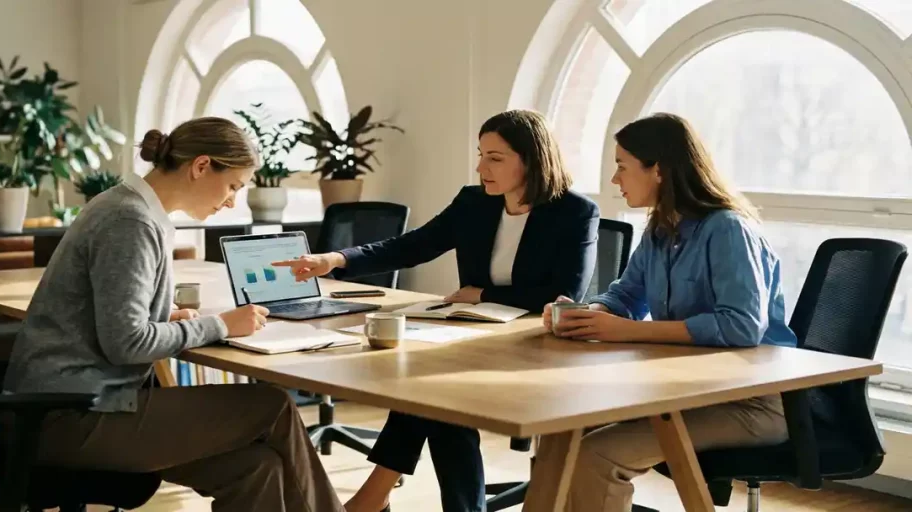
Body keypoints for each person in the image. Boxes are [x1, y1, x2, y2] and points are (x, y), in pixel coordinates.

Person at [2, 117, 344, 512]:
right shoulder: (130, 220)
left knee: (256, 468)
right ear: (201, 166)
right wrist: (218, 324)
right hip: (69, 417)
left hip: (84, 405)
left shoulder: (133, 209)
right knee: (273, 406)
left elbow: (109, 314)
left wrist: (165, 317)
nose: (232, 200)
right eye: (233, 185)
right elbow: (126, 343)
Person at [273, 109, 600, 512]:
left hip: (536, 347)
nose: (481, 167)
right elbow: (412, 246)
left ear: (532, 159)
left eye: (495, 158)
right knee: (437, 398)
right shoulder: (474, 202)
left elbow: (564, 293)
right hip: (475, 334)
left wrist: (480, 294)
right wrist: (337, 259)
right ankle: (397, 500)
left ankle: (375, 496)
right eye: (480, 154)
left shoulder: (575, 212)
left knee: (436, 394)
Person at [543, 112, 798, 512]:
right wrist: (585, 313)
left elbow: (741, 326)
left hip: (749, 404)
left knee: (598, 454)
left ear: (657, 170)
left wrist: (626, 332)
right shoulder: (660, 229)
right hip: (690, 391)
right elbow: (625, 295)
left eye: (622, 167)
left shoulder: (727, 229)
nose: (615, 180)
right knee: (569, 426)